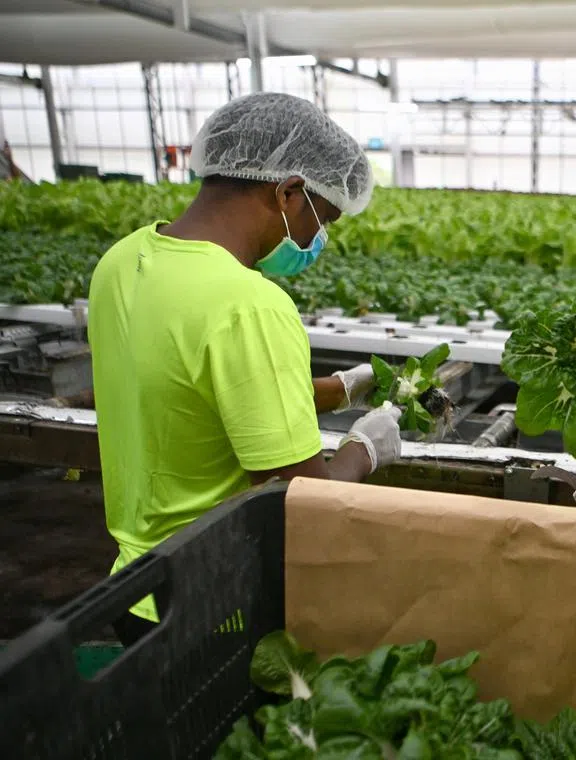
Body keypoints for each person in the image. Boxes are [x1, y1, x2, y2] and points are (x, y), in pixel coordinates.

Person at [88, 92, 401, 644]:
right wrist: (364, 450)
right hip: (215, 604)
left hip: (134, 590)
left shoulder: (122, 261)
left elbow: (194, 393)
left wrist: (342, 389)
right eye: (322, 218)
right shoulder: (249, 305)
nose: (317, 240)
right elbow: (303, 504)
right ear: (288, 192)